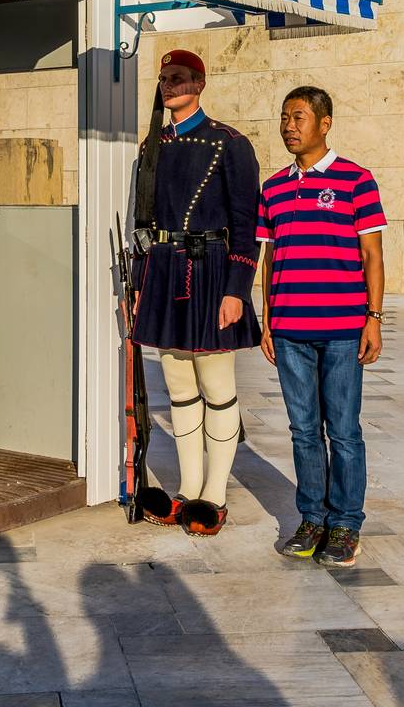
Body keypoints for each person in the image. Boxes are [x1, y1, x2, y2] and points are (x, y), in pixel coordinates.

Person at [131, 48, 261, 536]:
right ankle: (188, 490)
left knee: (217, 387)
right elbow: (144, 223)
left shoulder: (229, 142)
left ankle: (216, 495)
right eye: (165, 78)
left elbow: (246, 227)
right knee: (179, 389)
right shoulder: (153, 146)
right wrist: (142, 282)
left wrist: (236, 290)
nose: (170, 86)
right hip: (165, 272)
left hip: (209, 273)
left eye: (180, 78)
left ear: (200, 84)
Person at [256, 85, 386, 567]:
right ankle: (312, 518)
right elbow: (270, 258)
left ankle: (346, 523)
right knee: (303, 430)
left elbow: (372, 255)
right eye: (284, 118)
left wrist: (373, 318)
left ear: (324, 123)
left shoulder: (357, 180)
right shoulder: (271, 187)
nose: (290, 126)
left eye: (299, 117)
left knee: (344, 430)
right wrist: (268, 321)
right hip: (290, 331)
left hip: (343, 329)